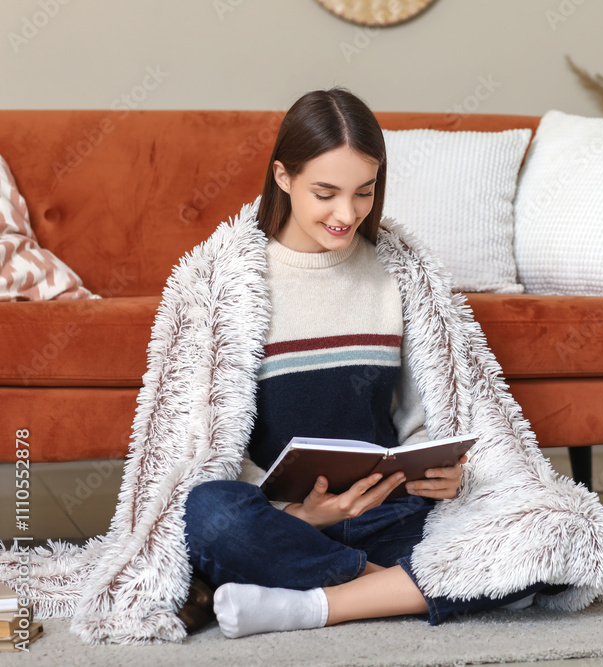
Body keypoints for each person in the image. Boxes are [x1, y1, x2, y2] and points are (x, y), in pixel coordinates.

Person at [182, 87, 548, 639]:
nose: (347, 214)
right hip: (280, 518)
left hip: (388, 513)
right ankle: (390, 589)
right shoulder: (229, 281)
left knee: (539, 536)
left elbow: (428, 406)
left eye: (364, 193)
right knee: (209, 514)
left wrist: (446, 474)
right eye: (325, 193)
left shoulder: (398, 272)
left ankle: (309, 603)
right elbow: (201, 440)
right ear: (283, 176)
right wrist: (304, 518)